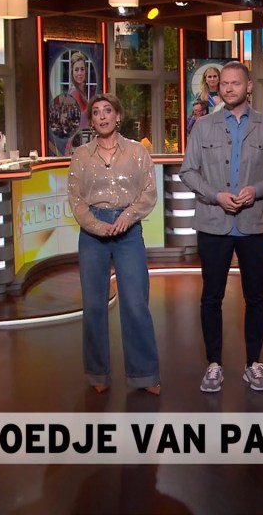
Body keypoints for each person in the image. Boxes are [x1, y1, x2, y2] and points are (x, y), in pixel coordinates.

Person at [180, 61, 263, 392]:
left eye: (235, 83)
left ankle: (253, 365)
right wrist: (215, 195)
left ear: (249, 86)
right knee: (211, 297)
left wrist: (256, 190)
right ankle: (213, 364)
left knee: (255, 297)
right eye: (224, 83)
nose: (228, 88)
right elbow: (188, 172)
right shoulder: (203, 127)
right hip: (213, 224)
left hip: (254, 224)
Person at [68, 93, 161, 395]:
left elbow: (149, 192)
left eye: (108, 110)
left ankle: (145, 374)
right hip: (92, 233)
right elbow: (76, 200)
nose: (102, 116)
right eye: (96, 112)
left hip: (128, 231)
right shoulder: (81, 155)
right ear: (92, 121)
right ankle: (97, 373)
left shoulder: (137, 152)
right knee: (94, 305)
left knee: (135, 303)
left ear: (118, 116)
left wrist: (128, 217)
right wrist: (97, 226)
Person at [67, 51, 91, 131]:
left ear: (85, 71)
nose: (80, 73)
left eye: (82, 69)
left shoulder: (80, 91)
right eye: (76, 70)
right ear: (72, 72)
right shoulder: (74, 94)